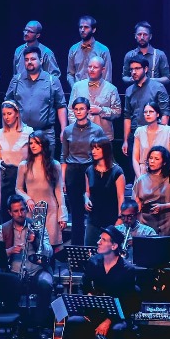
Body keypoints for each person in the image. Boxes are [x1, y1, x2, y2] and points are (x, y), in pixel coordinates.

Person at [59, 225, 136, 339]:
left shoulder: (127, 270)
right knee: (74, 322)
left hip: (117, 317)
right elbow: (84, 286)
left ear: (114, 246)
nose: (98, 242)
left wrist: (108, 321)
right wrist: (87, 300)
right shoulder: (93, 263)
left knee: (118, 330)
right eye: (100, 238)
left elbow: (128, 302)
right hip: (94, 313)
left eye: (103, 240)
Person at [0, 193, 55, 318]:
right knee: (6, 284)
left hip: (36, 271)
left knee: (46, 283)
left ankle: (39, 324)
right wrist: (9, 251)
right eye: (16, 211)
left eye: (22, 209)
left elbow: (49, 252)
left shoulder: (37, 227)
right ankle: (13, 323)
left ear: (26, 210)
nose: (20, 213)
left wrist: (36, 240)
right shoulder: (2, 229)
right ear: (10, 212)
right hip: (13, 272)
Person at [59, 97, 109, 244]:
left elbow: (103, 153)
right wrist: (63, 180)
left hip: (91, 170)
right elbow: (64, 156)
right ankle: (77, 247)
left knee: (93, 209)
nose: (79, 112)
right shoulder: (68, 131)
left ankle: (94, 245)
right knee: (76, 212)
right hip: (73, 172)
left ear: (88, 110)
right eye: (76, 109)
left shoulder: (97, 130)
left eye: (82, 109)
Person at [5, 44, 66, 152]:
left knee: (46, 167)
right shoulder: (17, 80)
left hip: (45, 133)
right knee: (22, 167)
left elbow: (61, 106)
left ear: (41, 60)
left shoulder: (52, 81)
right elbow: (7, 104)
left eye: (33, 59)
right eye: (26, 59)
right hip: (21, 134)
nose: (29, 62)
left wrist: (63, 129)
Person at [16, 131, 68, 249]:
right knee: (34, 246)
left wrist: (62, 216)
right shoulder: (24, 165)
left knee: (51, 247)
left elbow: (59, 191)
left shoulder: (54, 165)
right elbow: (18, 188)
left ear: (43, 144)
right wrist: (27, 199)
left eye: (36, 143)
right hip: (31, 211)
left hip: (50, 211)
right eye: (31, 143)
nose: (33, 146)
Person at [121, 51, 170, 152]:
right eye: (131, 69)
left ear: (146, 69)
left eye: (137, 68)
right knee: (134, 166)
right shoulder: (129, 90)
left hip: (154, 132)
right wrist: (125, 140)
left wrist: (161, 136)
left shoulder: (158, 87)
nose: (134, 72)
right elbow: (127, 117)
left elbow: (165, 113)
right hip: (135, 134)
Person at [68, 54, 122, 148]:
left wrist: (101, 110)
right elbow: (71, 110)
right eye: (90, 66)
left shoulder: (111, 89)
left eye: (95, 67)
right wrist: (75, 129)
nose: (92, 69)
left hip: (103, 136)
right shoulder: (77, 86)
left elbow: (117, 112)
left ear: (103, 69)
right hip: (81, 136)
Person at [0, 100, 34, 220]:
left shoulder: (28, 132)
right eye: (4, 114)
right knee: (7, 212)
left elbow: (33, 155)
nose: (6, 117)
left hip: (22, 176)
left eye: (9, 113)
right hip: (6, 176)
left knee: (22, 211)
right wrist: (1, 164)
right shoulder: (0, 133)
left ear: (17, 114)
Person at [131, 144, 170, 241]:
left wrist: (163, 206)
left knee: (164, 251)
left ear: (164, 163)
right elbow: (138, 202)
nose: (152, 161)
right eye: (151, 158)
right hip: (145, 221)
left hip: (166, 222)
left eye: (156, 159)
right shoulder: (141, 180)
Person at [82, 139, 125, 248]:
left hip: (111, 219)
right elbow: (87, 192)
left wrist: (120, 218)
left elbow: (121, 197)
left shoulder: (117, 171)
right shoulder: (89, 170)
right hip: (93, 219)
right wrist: (86, 200)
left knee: (108, 250)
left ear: (105, 150)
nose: (93, 151)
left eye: (97, 148)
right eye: (92, 148)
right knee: (90, 250)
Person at [64, 15, 112, 91]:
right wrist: (74, 88)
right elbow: (70, 73)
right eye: (80, 27)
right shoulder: (73, 49)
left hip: (97, 92)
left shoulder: (103, 50)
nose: (82, 30)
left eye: (86, 27)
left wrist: (101, 92)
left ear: (93, 30)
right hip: (78, 92)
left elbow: (107, 76)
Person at [129, 100, 170, 181]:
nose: (148, 114)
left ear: (157, 114)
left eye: (151, 111)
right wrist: (139, 177)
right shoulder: (139, 131)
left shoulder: (168, 131)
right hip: (143, 173)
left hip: (163, 173)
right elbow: (135, 158)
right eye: (145, 112)